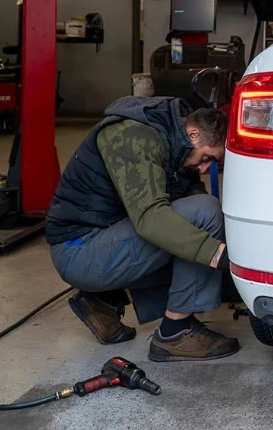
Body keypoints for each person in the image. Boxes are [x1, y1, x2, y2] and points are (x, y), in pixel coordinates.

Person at [45, 96, 240, 362]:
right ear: (193, 134)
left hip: (102, 241)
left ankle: (104, 300)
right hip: (79, 251)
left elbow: (203, 225)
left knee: (203, 243)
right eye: (207, 158)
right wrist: (220, 256)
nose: (205, 168)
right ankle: (175, 332)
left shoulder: (175, 149)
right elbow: (154, 218)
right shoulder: (134, 136)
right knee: (205, 213)